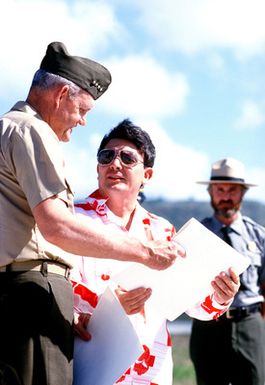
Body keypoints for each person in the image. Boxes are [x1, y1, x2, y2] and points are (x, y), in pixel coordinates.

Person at [0, 42, 183, 385]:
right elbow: (56, 225)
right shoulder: (33, 130)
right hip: (32, 295)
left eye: (128, 158)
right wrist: (146, 253)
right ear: (61, 94)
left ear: (147, 174)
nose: (83, 121)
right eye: (82, 109)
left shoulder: (5, 129)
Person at [71, 120, 240, 385]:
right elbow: (50, 280)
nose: (115, 164)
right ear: (98, 168)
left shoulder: (163, 231)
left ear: (147, 176)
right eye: (107, 156)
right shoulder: (69, 217)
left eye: (127, 158)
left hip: (150, 370)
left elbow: (195, 304)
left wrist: (219, 295)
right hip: (89, 360)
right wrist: (109, 308)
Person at [189, 157, 265, 385]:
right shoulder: (195, 236)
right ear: (210, 193)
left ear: (242, 193)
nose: (226, 196)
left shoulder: (258, 236)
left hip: (249, 325)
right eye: (219, 189)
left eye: (232, 190)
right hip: (207, 327)